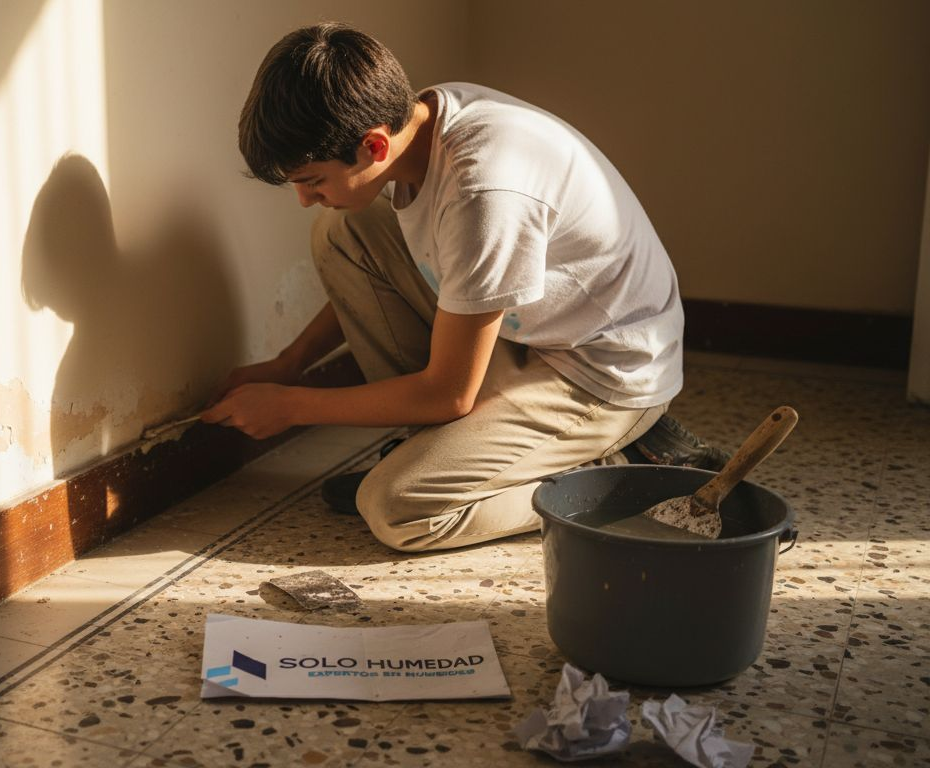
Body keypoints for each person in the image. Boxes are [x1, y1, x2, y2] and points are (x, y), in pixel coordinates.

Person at [200, 22, 725, 552]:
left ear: (374, 145)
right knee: (345, 232)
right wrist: (291, 364)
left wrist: (293, 406)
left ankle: (622, 476)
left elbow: (448, 394)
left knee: (395, 507)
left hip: (602, 374)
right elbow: (391, 269)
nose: (305, 198)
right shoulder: (426, 120)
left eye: (312, 180)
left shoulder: (482, 192)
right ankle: (454, 456)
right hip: (531, 335)